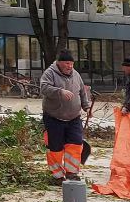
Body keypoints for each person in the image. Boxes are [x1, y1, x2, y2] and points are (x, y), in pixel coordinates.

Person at [39, 49, 91, 183]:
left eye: (72, 64)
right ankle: (57, 176)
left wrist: (86, 106)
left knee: (75, 145)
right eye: (67, 63)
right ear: (59, 63)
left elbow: (82, 92)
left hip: (74, 118)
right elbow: (44, 88)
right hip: (54, 117)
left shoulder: (76, 75)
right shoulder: (50, 73)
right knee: (55, 148)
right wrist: (59, 92)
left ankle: (72, 173)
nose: (70, 66)